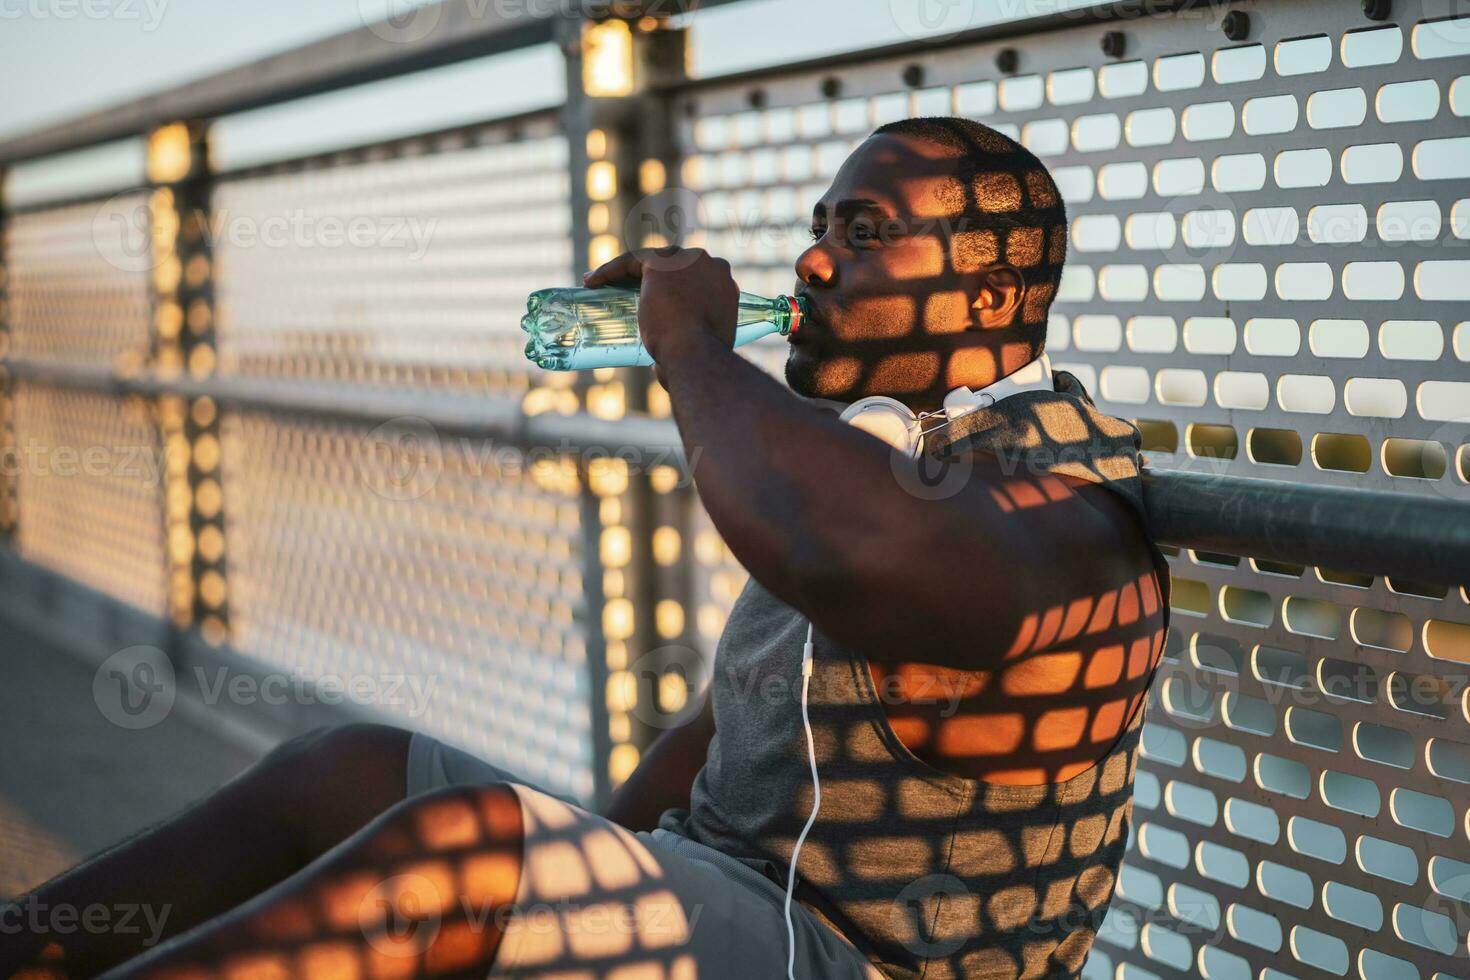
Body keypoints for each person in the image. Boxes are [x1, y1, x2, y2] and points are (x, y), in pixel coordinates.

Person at [2, 116, 1169, 980]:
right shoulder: (889, 448)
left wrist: (696, 351)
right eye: (818, 229)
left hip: (849, 959)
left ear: (996, 286)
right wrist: (548, 889)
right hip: (727, 899)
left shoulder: (1057, 499)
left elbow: (838, 541)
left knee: (455, 849)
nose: (813, 260)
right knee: (352, 767)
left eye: (865, 233)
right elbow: (713, 737)